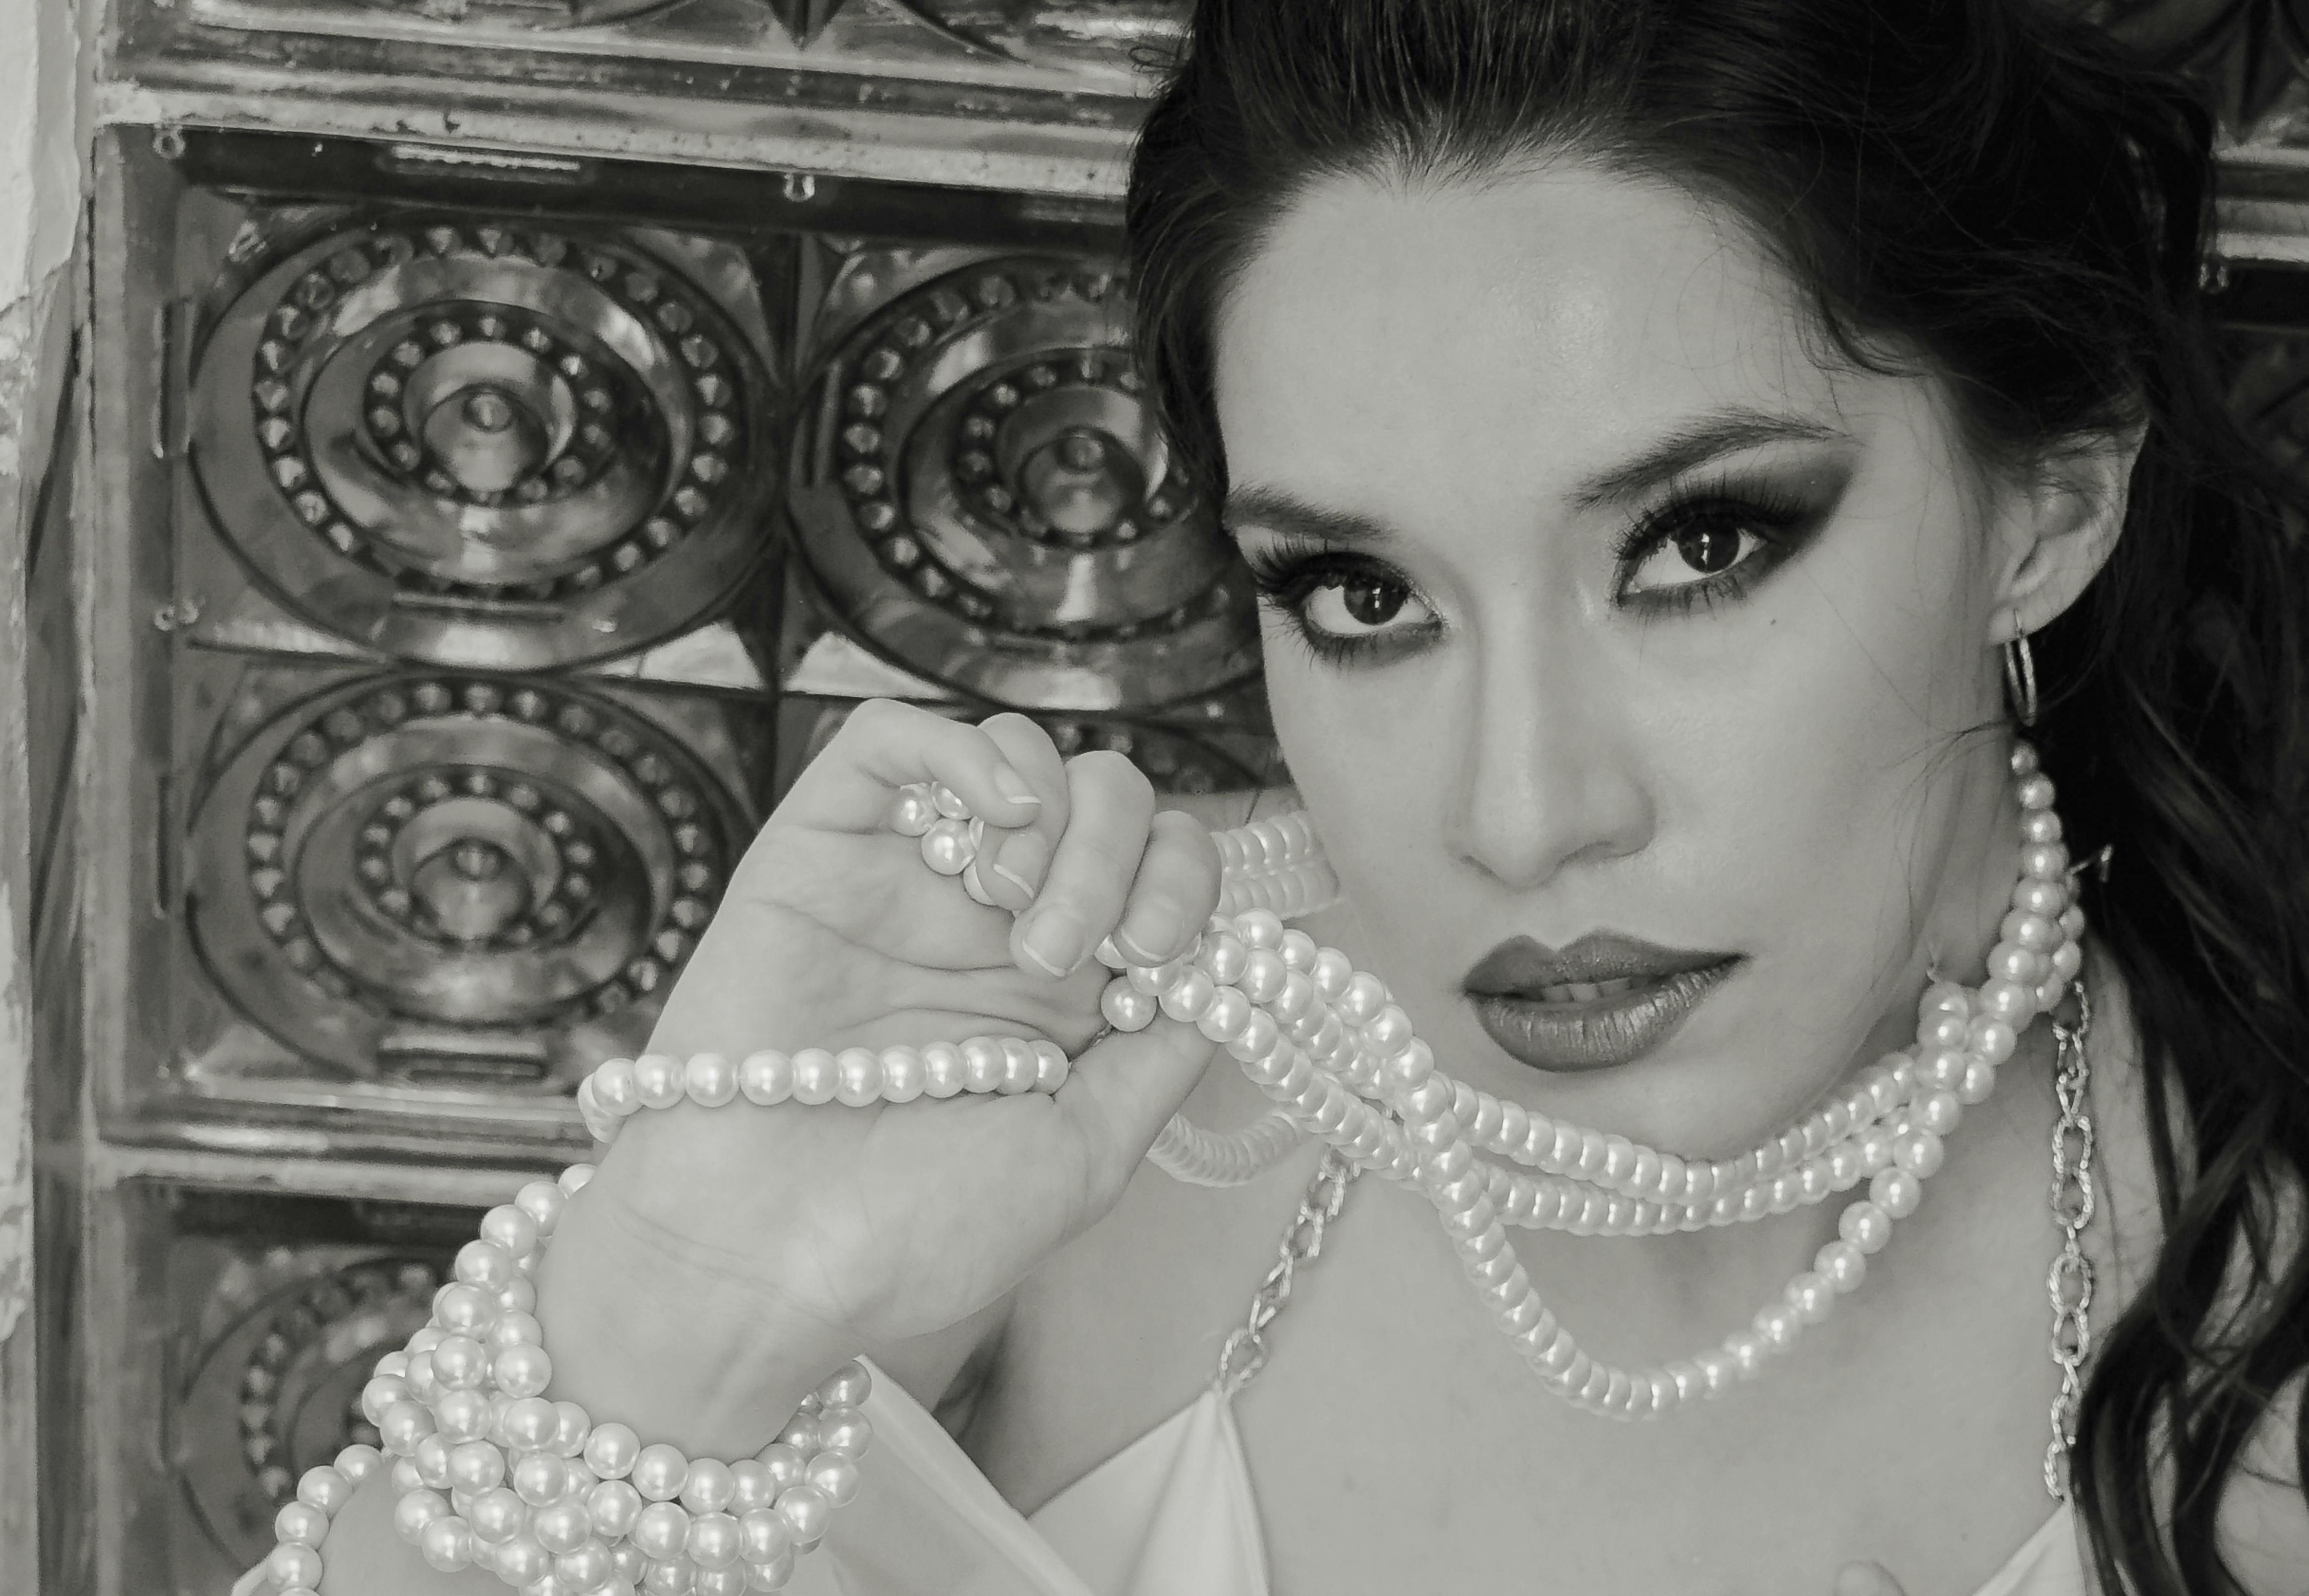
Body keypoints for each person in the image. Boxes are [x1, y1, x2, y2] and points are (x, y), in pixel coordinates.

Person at [282, 1, 2309, 1592]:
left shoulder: (2259, 1296)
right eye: (1362, 593)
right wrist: (679, 1323)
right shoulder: (1061, 1162)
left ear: (2047, 503)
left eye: (1698, 549)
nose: (1522, 812)